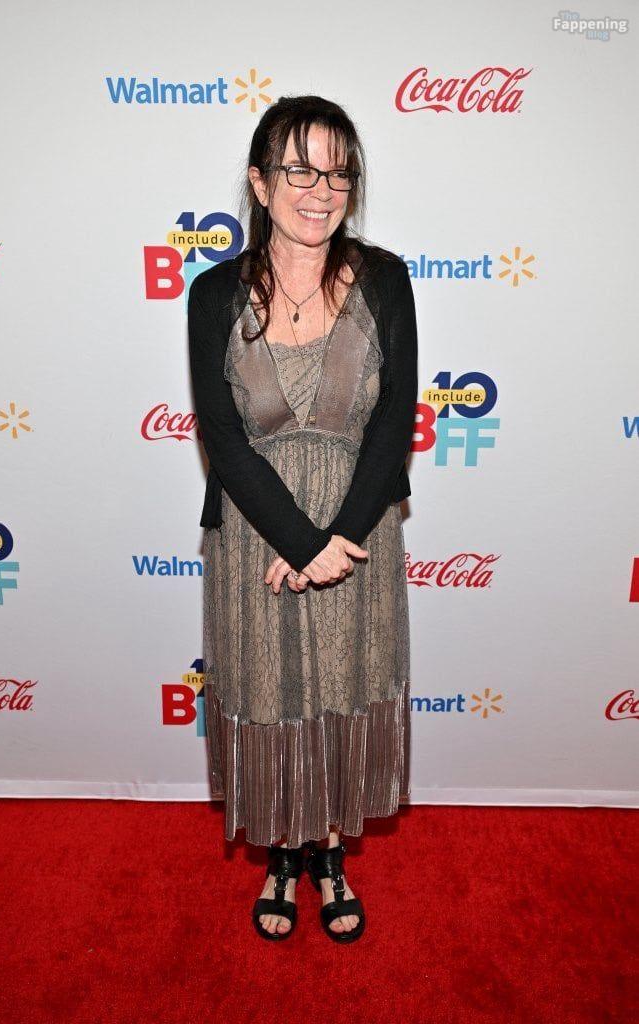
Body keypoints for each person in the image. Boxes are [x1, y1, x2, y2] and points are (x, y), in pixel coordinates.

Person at [187, 95, 418, 944]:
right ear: (259, 182)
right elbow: (222, 437)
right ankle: (283, 855)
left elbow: (394, 419)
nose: (320, 190)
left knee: (341, 685)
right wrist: (296, 542)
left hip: (358, 530)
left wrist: (335, 542)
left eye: (338, 172)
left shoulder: (384, 278)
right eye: (299, 170)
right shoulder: (214, 293)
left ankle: (329, 854)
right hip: (258, 532)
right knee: (273, 689)